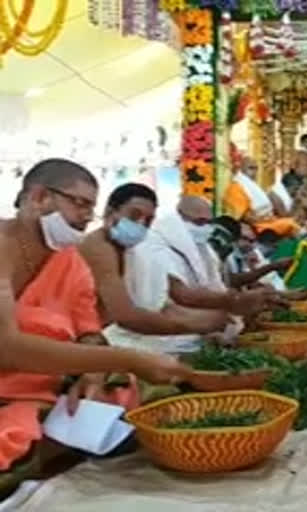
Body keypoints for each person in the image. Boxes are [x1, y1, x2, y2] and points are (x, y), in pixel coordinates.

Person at [0, 159, 190, 477]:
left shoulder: (69, 260)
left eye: (92, 207)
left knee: (125, 391)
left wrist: (91, 374)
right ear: (39, 198)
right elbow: (8, 348)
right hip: (12, 392)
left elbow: (88, 329)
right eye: (80, 204)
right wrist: (129, 359)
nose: (88, 217)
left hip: (47, 387)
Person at [104, 195, 285, 354]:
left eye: (208, 222)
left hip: (187, 333)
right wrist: (232, 304)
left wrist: (235, 305)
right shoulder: (152, 245)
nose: (205, 228)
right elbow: (181, 295)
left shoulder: (203, 249)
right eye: (199, 222)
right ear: (179, 218)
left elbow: (214, 288)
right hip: (153, 342)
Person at [80, 184, 228, 340]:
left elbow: (162, 304)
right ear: (110, 212)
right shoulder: (98, 248)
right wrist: (196, 325)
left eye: (148, 220)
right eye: (134, 215)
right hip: (93, 338)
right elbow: (125, 317)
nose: (141, 224)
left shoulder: (136, 250)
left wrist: (209, 319)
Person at [223, 158, 300, 239]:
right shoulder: (236, 187)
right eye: (251, 168)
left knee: (293, 223)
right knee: (291, 224)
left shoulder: (251, 185)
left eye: (256, 168)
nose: (254, 172)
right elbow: (245, 217)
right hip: (258, 227)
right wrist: (266, 220)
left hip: (268, 221)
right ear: (241, 168)